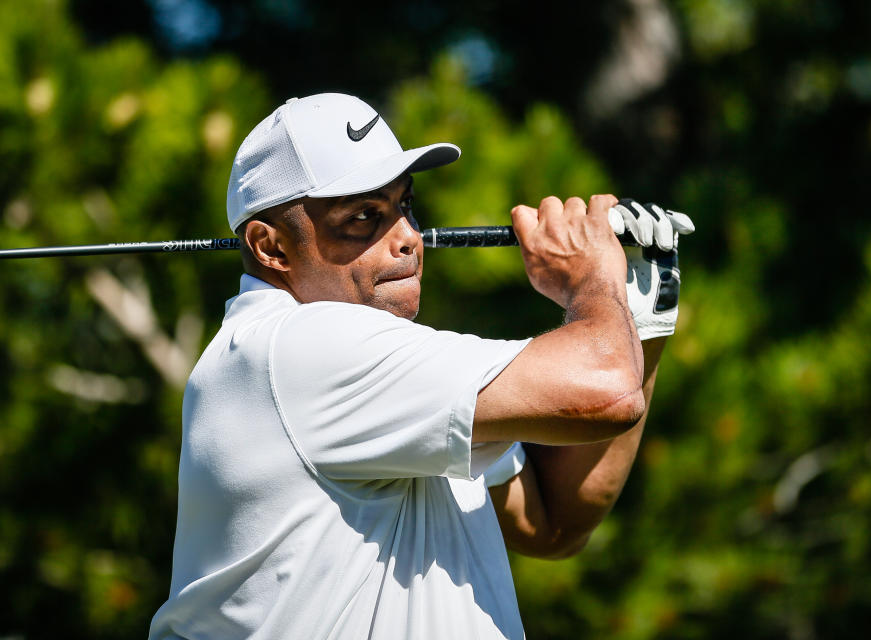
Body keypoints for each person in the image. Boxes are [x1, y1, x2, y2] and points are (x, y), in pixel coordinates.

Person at [149, 93, 693, 639]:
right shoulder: (297, 344)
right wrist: (592, 276)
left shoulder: (378, 378)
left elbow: (550, 524)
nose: (407, 238)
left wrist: (639, 320)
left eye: (404, 206)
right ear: (271, 247)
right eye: (364, 218)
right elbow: (609, 391)